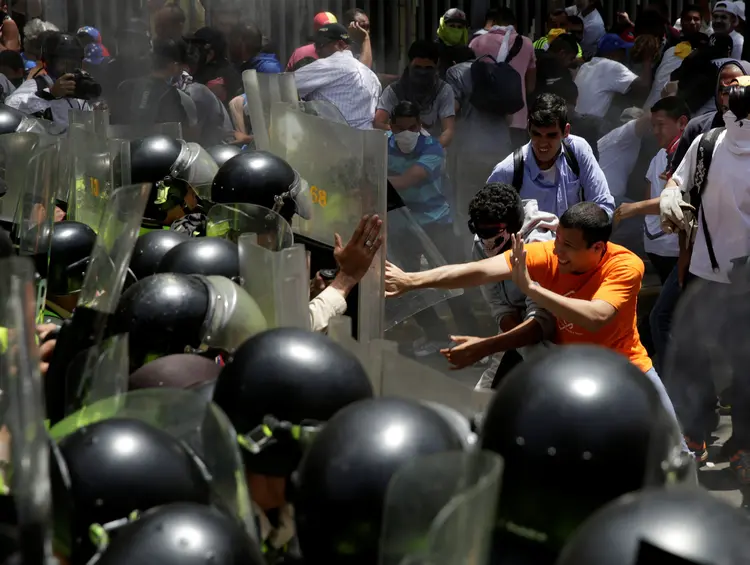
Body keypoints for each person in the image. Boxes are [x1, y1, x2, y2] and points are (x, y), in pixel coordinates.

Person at [659, 76, 750, 470]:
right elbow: (678, 181)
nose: (740, 117)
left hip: (746, 282)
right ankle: (694, 434)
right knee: (691, 357)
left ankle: (743, 448)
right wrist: (669, 197)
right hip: (703, 270)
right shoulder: (708, 143)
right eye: (734, 106)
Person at [458, 183, 557, 390]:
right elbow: (498, 305)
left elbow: (539, 321)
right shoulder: (481, 242)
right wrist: (509, 339)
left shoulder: (538, 245)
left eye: (492, 231)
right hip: (515, 329)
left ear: (512, 227)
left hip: (553, 332)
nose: (485, 239)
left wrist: (488, 345)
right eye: (478, 230)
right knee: (482, 400)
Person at [487, 93, 615, 219]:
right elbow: (487, 222)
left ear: (566, 132)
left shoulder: (578, 151)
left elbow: (604, 206)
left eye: (551, 135)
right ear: (528, 129)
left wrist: (577, 229)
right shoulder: (507, 171)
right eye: (537, 134)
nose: (543, 143)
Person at [614, 97, 690, 284]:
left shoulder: (690, 153)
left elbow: (678, 202)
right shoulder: (659, 155)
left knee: (666, 311)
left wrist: (634, 208)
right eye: (653, 125)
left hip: (677, 250)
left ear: (682, 123)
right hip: (656, 246)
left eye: (661, 125)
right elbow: (649, 195)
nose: (655, 131)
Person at [469, 7, 536, 149]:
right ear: (514, 25)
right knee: (515, 165)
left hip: (484, 117)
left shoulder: (476, 42)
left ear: (492, 23)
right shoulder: (526, 43)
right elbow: (530, 86)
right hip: (517, 116)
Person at [293, 23, 381, 130]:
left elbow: (285, 84)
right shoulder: (372, 77)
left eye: (321, 45)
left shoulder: (328, 65)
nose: (317, 51)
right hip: (366, 142)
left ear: (340, 44)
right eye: (316, 46)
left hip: (333, 141)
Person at [5, 31, 94, 130]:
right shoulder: (37, 85)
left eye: (73, 64)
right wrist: (50, 94)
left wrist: (96, 111)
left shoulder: (78, 90)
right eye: (63, 63)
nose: (69, 69)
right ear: (49, 61)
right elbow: (10, 106)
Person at [373, 40, 456, 147]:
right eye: (418, 67)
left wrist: (431, 150)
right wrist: (404, 131)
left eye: (428, 68)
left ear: (437, 66)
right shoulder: (394, 90)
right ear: (409, 63)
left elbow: (448, 131)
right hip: (399, 152)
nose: (422, 72)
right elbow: (378, 123)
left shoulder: (444, 91)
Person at [110, 38, 198, 137]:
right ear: (173, 66)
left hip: (125, 150)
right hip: (156, 149)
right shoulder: (170, 94)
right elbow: (183, 132)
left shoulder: (125, 87)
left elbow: (113, 125)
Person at [574, 33, 656, 135]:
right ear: (613, 53)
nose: (624, 55)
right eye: (622, 51)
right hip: (592, 127)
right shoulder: (612, 66)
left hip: (576, 122)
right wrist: (647, 59)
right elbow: (644, 87)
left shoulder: (586, 65)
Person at [185, 26, 242, 105]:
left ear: (210, 53)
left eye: (195, 48)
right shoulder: (198, 72)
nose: (189, 53)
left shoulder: (218, 77)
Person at [436, 7, 469, 76]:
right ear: (443, 26)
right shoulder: (434, 49)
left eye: (459, 27)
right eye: (452, 26)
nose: (456, 30)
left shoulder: (467, 52)